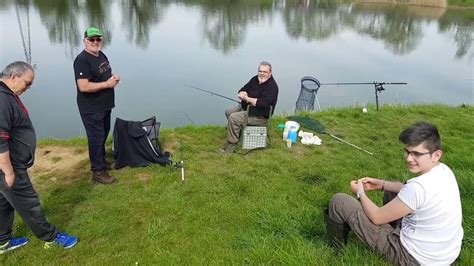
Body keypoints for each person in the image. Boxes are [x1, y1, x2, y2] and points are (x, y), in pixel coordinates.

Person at [324, 122, 463, 265]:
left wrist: (360, 192)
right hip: (445, 254)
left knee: (339, 201)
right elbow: (407, 189)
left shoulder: (418, 188)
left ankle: (336, 251)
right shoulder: (444, 170)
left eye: (416, 154)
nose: (409, 158)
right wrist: (381, 184)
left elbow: (377, 217)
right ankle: (387, 231)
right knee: (392, 190)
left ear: (436, 155)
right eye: (407, 152)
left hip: (413, 258)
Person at [0, 61, 78, 254]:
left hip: (7, 166)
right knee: (28, 203)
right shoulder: (1, 100)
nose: (29, 87)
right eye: (27, 83)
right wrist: (8, 171)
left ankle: (2, 241)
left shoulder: (7, 94)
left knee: (3, 202)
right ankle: (50, 238)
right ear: (13, 77)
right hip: (9, 166)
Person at [73, 27, 121, 184]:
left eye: (98, 39)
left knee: (103, 133)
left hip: (104, 105)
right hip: (91, 108)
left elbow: (104, 74)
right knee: (96, 138)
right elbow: (84, 87)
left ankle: (102, 162)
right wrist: (107, 84)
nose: (95, 42)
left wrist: (113, 78)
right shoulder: (82, 60)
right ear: (85, 41)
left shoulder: (101, 55)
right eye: (91, 39)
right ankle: (98, 172)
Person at [221, 61, 279, 153]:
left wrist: (247, 98)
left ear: (270, 73)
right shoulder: (255, 79)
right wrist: (241, 93)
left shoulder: (272, 87)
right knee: (228, 112)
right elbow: (243, 88)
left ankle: (231, 145)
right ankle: (236, 131)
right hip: (247, 108)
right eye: (260, 71)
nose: (262, 74)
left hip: (259, 116)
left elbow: (263, 103)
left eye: (265, 72)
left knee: (233, 118)